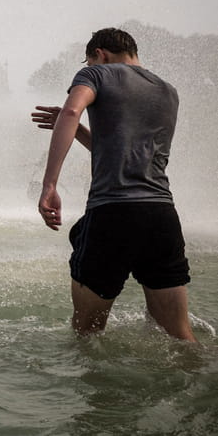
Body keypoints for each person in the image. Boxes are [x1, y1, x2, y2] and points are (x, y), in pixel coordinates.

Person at [31, 27, 195, 341]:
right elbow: (120, 150)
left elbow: (70, 109)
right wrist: (78, 129)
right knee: (179, 335)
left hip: (113, 213)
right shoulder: (168, 91)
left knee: (88, 334)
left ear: (100, 54)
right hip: (162, 216)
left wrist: (49, 184)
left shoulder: (95, 74)